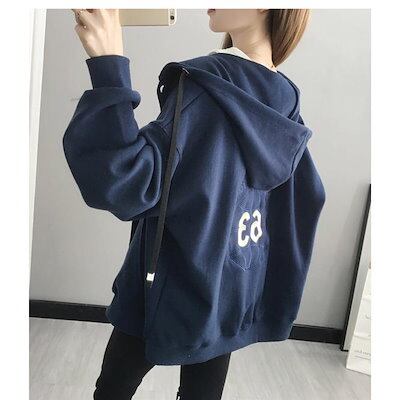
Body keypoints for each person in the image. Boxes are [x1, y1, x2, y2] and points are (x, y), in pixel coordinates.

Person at [64, 8, 325, 400]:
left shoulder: (205, 86)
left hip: (166, 278)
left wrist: (108, 62)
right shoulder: (285, 99)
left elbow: (126, 180)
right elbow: (302, 199)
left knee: (113, 389)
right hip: (231, 283)